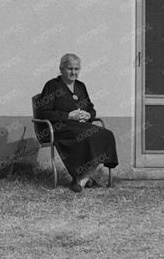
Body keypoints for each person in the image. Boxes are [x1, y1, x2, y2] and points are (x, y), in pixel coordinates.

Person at [38, 53, 119, 192]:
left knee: (106, 134)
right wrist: (68, 115)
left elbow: (91, 108)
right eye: (70, 68)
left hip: (80, 126)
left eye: (76, 69)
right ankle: (81, 177)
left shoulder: (81, 86)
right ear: (61, 68)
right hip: (59, 127)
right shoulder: (52, 86)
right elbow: (43, 113)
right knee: (89, 135)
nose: (73, 72)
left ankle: (82, 179)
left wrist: (89, 115)